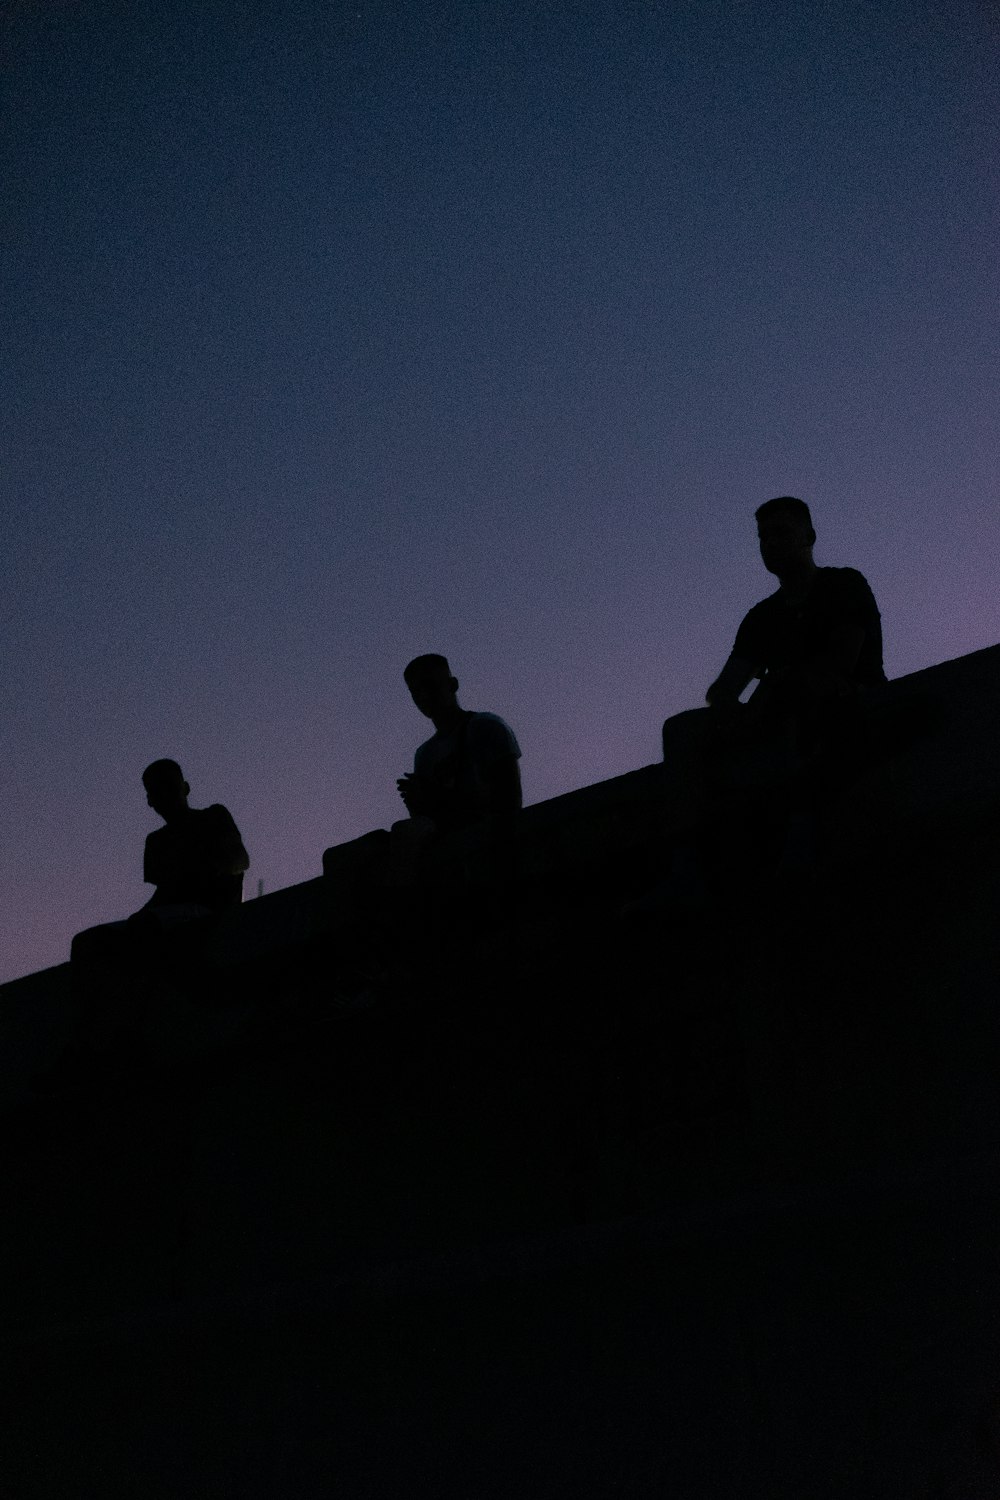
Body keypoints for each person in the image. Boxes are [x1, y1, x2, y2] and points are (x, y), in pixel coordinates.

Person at [658, 498, 885, 896]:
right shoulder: (761, 617)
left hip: (847, 703)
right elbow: (724, 688)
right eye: (763, 537)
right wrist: (733, 708)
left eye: (780, 532)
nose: (770, 544)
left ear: (809, 536)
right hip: (773, 713)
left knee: (801, 693)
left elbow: (841, 663)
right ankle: (684, 869)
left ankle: (800, 845)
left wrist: (779, 684)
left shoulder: (843, 585)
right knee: (679, 730)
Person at [41, 763, 249, 1086]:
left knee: (143, 932)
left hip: (209, 911)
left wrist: (209, 872)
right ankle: (82, 1046)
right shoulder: (156, 842)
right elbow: (163, 895)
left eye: (168, 786)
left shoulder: (212, 817)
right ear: (150, 801)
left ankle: (126, 1037)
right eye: (155, 791)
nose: (163, 796)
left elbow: (239, 860)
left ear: (185, 788)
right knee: (87, 944)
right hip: (168, 917)